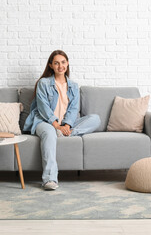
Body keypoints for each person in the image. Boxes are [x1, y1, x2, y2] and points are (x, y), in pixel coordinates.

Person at [23, 50, 101, 190]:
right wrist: (56, 125)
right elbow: (43, 108)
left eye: (63, 62)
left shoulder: (74, 86)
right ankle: (50, 180)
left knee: (95, 118)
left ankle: (68, 132)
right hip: (44, 122)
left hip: (64, 124)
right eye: (56, 63)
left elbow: (73, 109)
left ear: (68, 63)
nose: (60, 66)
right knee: (49, 133)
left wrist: (66, 125)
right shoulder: (44, 83)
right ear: (51, 65)